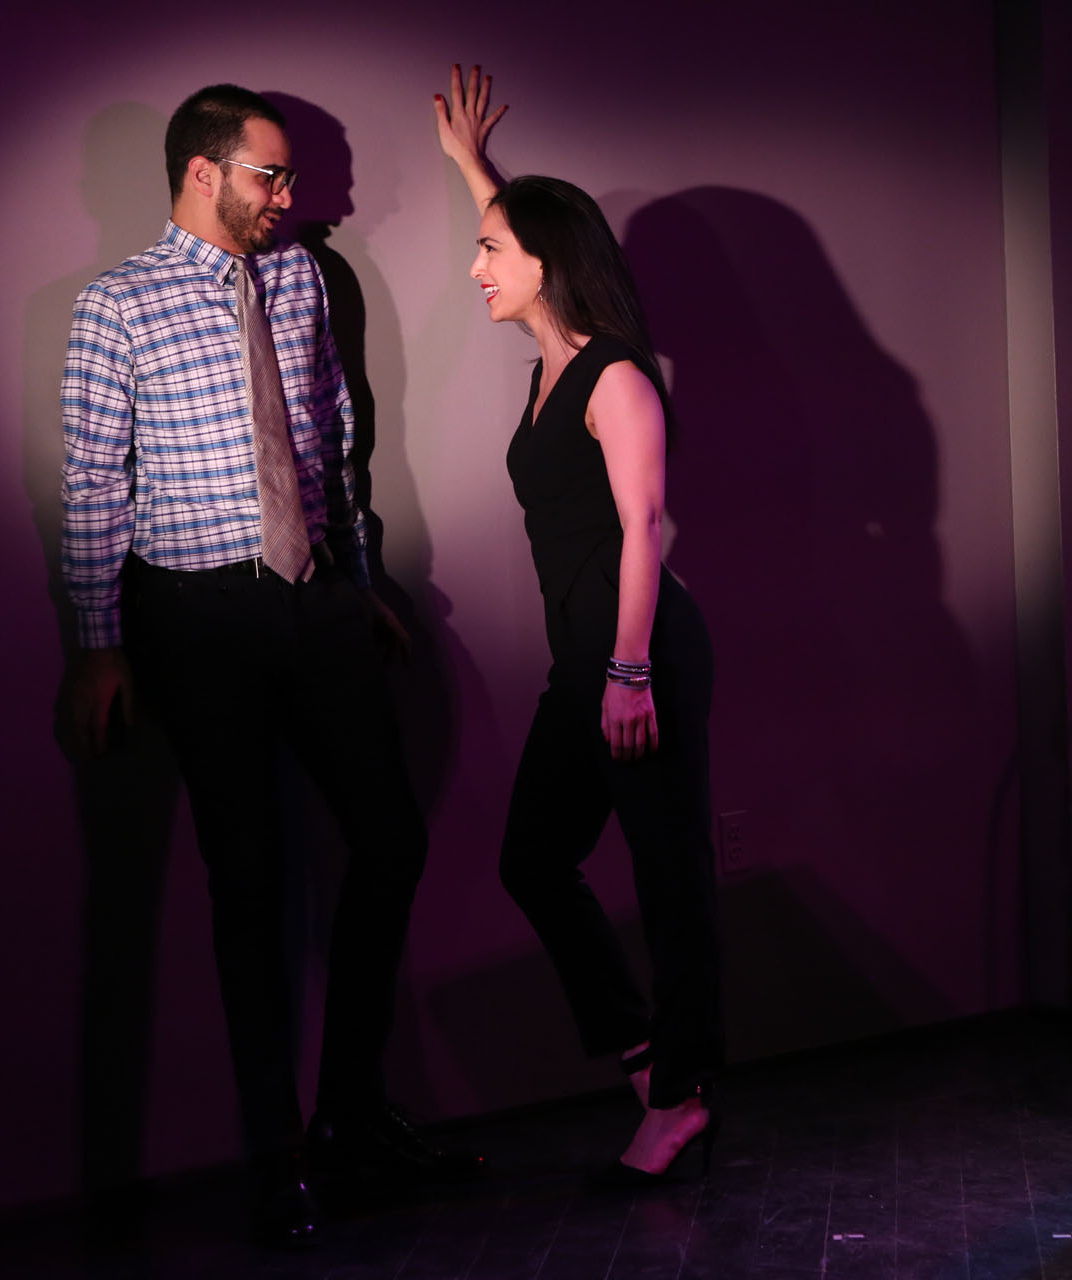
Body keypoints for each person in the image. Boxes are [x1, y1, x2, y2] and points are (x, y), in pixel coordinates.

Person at [61, 83, 477, 1246]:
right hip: (195, 616)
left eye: (290, 176)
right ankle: (273, 1153)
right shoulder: (116, 304)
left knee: (389, 837)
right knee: (245, 882)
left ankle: (349, 1115)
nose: (290, 196)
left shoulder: (297, 279)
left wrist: (356, 577)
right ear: (203, 172)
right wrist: (96, 643)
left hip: (313, 600)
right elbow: (92, 479)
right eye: (270, 174)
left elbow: (330, 433)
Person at [432, 65, 723, 1183]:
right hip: (586, 657)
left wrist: (630, 669)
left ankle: (681, 1097)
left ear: (544, 264)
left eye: (489, 251)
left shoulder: (617, 377)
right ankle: (644, 1052)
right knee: (534, 858)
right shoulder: (554, 359)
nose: (475, 268)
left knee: (668, 874)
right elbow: (527, 232)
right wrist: (475, 171)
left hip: (638, 653)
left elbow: (645, 525)